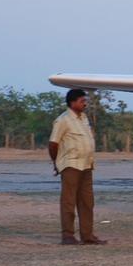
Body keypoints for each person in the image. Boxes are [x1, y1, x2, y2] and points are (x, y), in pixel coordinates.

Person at [48, 89, 107, 245]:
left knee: (87, 201)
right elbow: (53, 143)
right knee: (69, 201)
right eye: (82, 101)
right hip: (71, 165)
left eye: (85, 100)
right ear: (72, 102)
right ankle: (67, 235)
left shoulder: (84, 118)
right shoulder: (63, 120)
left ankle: (87, 235)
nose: (85, 103)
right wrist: (57, 162)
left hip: (86, 165)